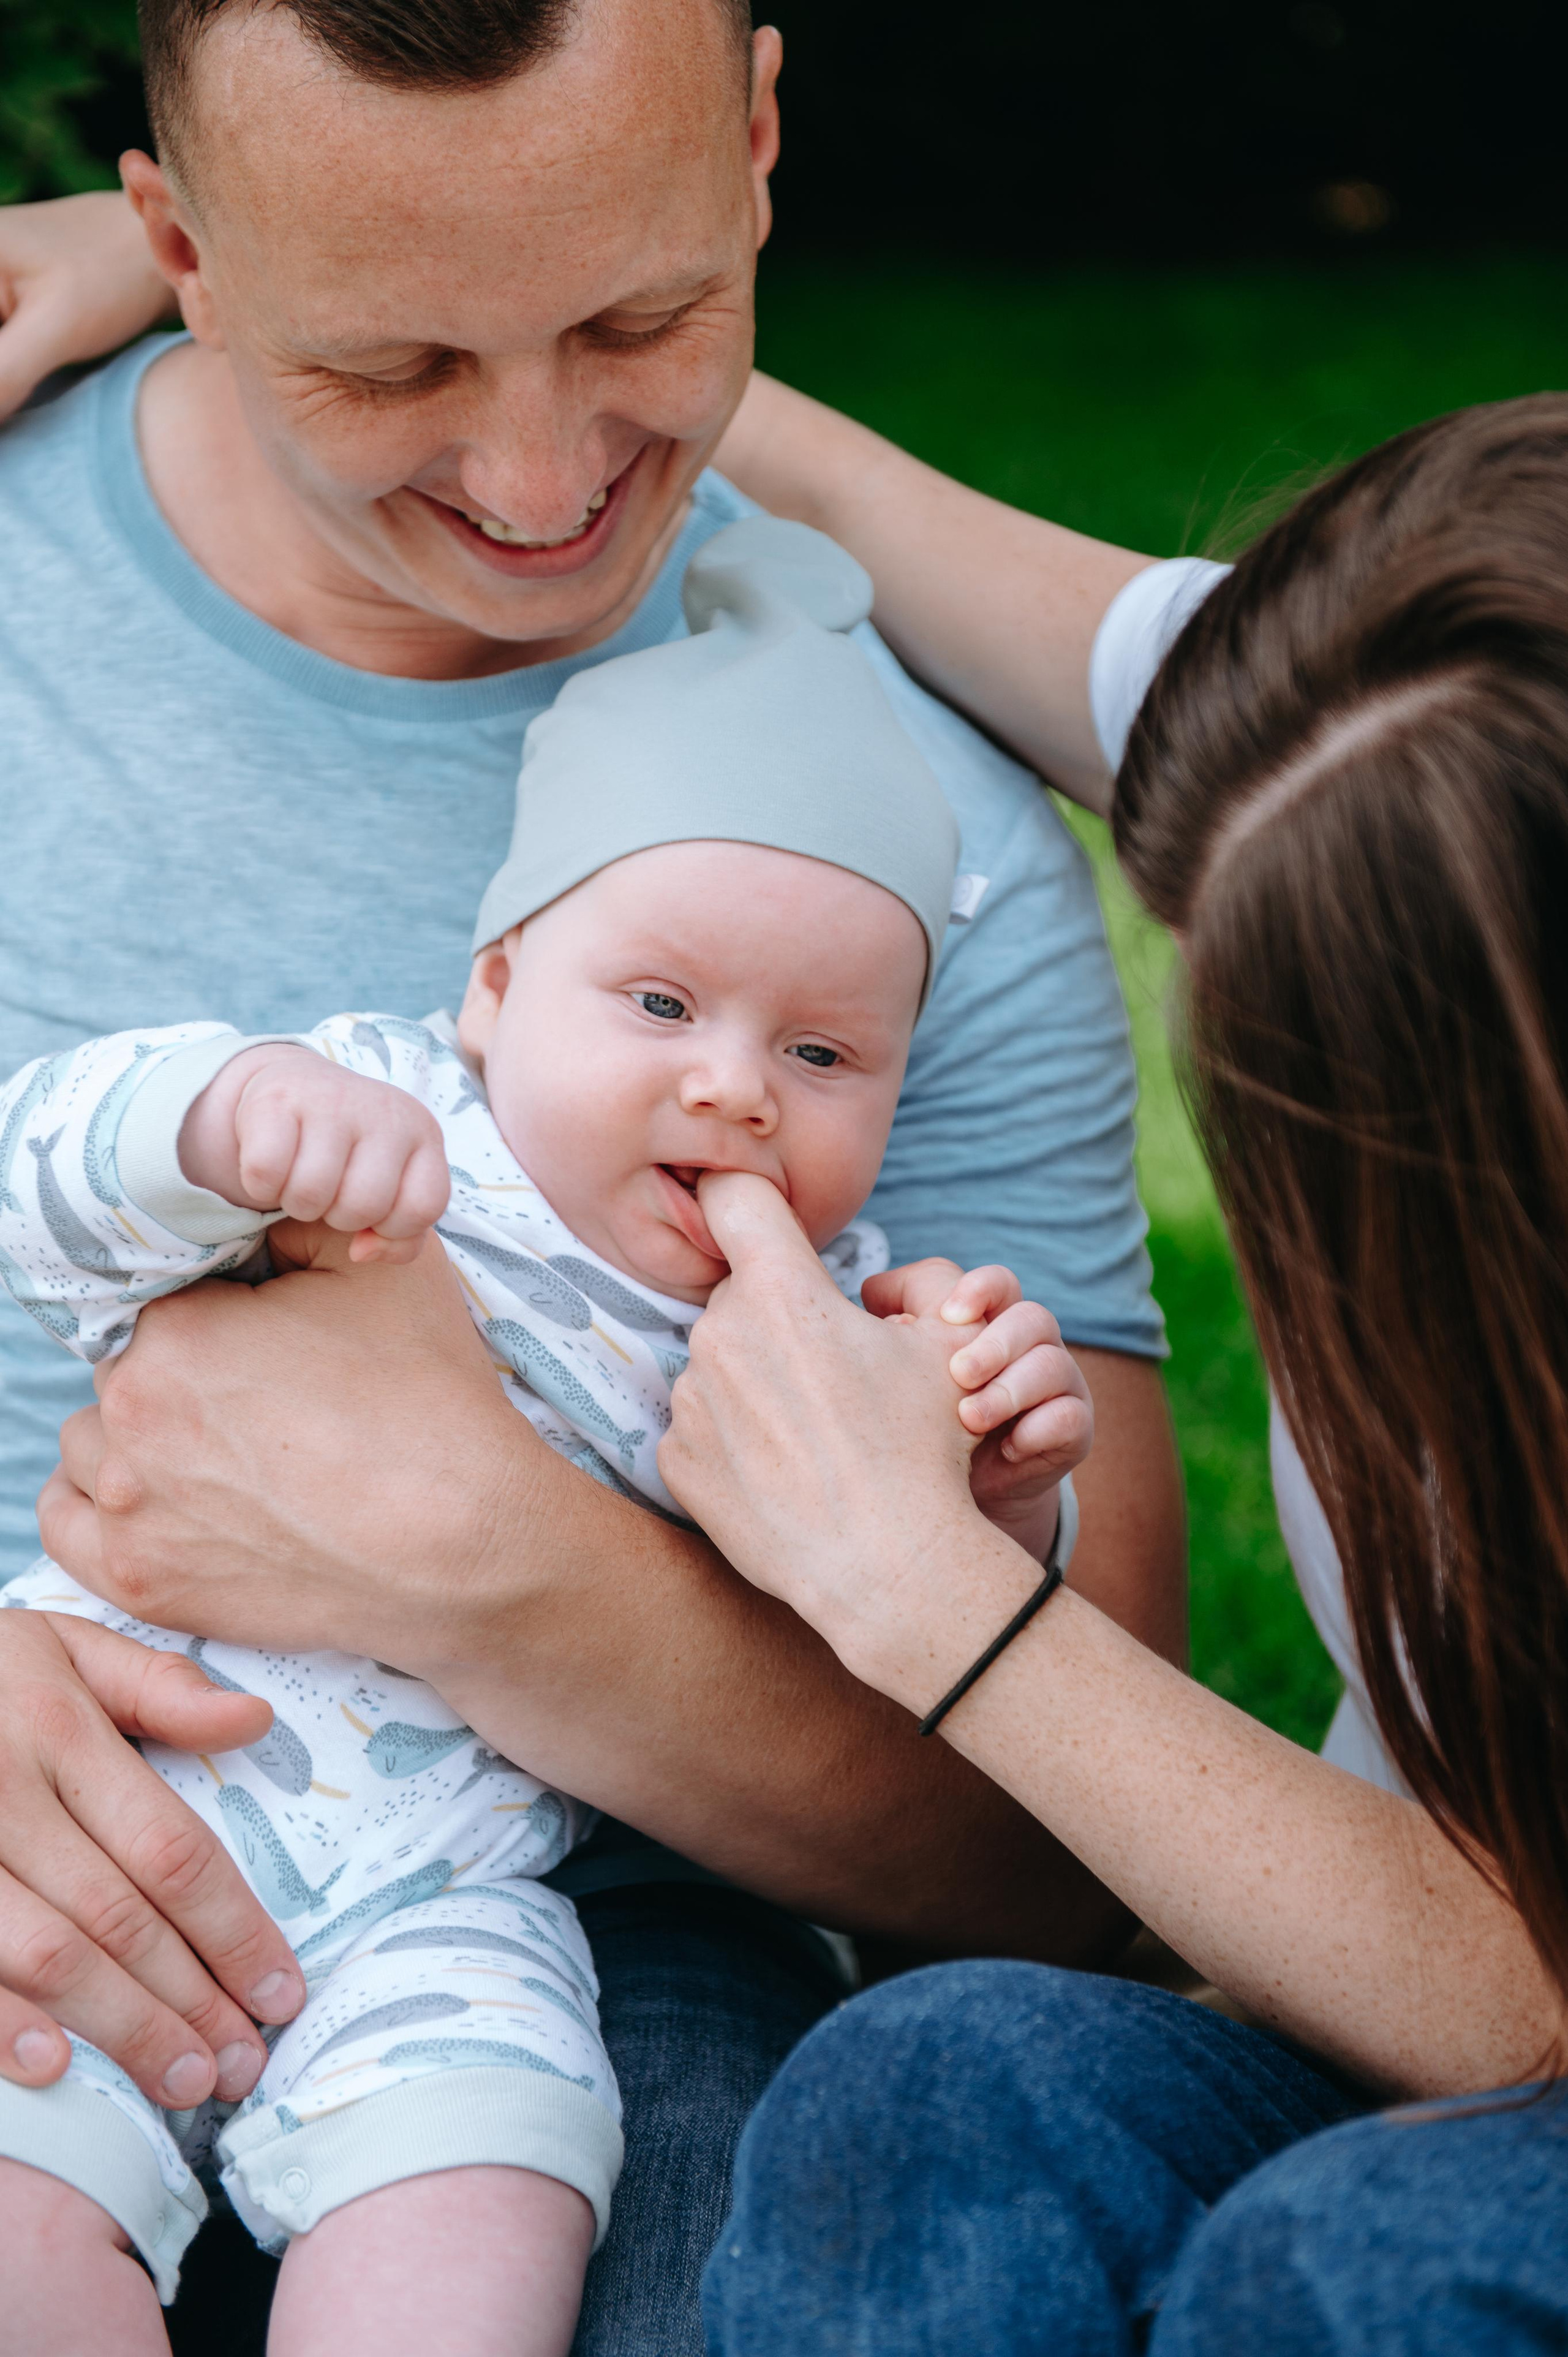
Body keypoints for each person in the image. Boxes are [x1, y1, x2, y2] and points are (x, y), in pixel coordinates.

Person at [0, 6, 1185, 2350]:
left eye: (638, 322)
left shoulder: (888, 856)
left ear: (759, 139)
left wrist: (489, 1566)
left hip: (578, 1930)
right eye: (390, 364)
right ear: (177, 248)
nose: (543, 471)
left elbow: (1089, 1864)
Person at [650, 395, 1568, 2349]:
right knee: (936, 2089)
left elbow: (1522, 1994)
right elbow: (848, 487)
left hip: (1501, 2020)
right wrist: (222, 269)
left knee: (1360, 2271)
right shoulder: (1427, 705)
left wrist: (926, 1592)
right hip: (1416, 2012)